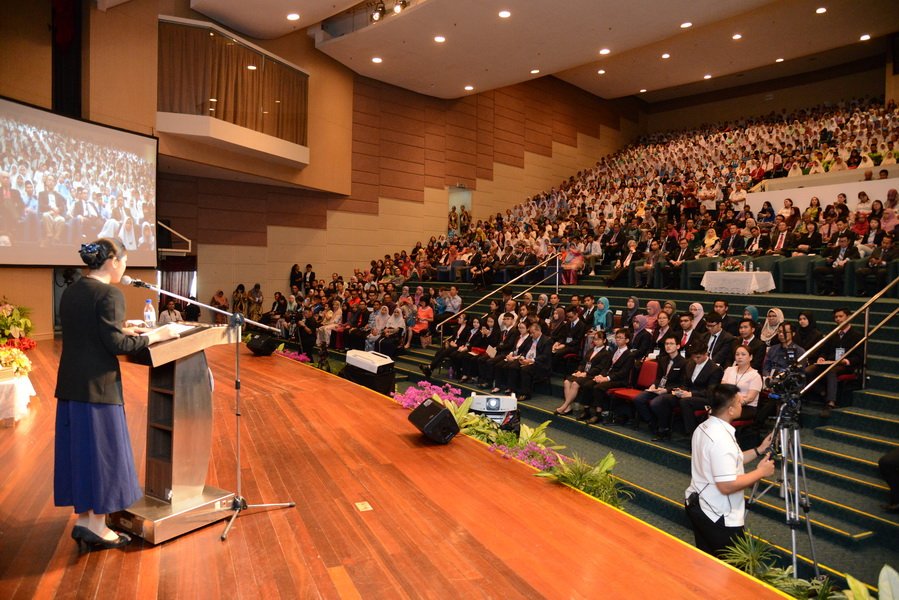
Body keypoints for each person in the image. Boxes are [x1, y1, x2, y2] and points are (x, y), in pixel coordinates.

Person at [55, 238, 179, 551]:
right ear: (113, 261)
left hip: (71, 385)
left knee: (81, 454)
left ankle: (84, 521)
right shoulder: (110, 293)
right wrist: (156, 335)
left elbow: (89, 331)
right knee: (102, 456)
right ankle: (99, 527)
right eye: (124, 261)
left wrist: (122, 329)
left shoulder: (73, 289)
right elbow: (116, 347)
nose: (124, 268)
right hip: (99, 388)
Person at [684, 384, 775, 558]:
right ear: (731, 410)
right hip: (718, 515)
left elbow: (731, 460)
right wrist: (761, 472)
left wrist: (759, 450)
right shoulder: (721, 440)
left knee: (707, 562)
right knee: (733, 572)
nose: (742, 405)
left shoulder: (705, 426)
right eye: (739, 403)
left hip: (700, 504)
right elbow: (726, 485)